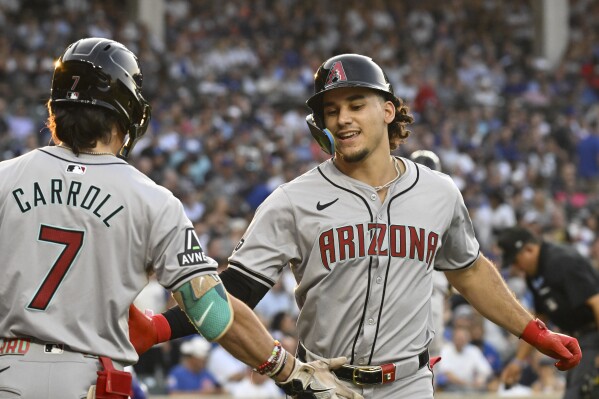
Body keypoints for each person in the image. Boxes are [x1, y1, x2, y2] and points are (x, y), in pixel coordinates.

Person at [131, 54, 581, 398]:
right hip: (321, 383)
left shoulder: (440, 192)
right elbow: (236, 292)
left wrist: (535, 332)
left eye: (356, 104)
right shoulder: (292, 199)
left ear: (388, 110)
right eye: (330, 110)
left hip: (408, 383)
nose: (343, 118)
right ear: (319, 125)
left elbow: (468, 269)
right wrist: (161, 328)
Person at [0, 37, 359, 399]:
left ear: (55, 108)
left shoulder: (4, 178)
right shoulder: (150, 199)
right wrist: (289, 369)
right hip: (89, 378)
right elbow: (211, 311)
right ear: (128, 111)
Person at [497, 225, 599, 399]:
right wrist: (518, 361)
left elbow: (597, 302)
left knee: (582, 393)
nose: (516, 267)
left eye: (516, 260)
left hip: (594, 335)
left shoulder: (561, 261)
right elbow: (538, 321)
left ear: (529, 249)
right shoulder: (535, 274)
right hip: (579, 340)